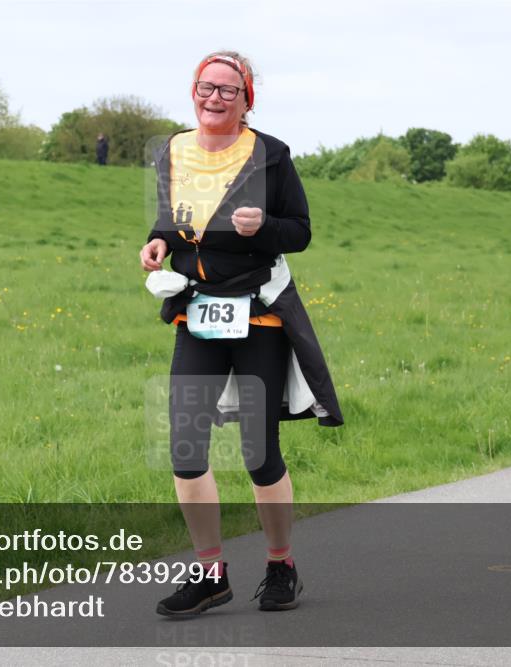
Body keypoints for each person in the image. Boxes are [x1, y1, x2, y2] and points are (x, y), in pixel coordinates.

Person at [140, 51, 344, 616]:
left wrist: (264, 227)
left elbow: (299, 231)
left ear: (246, 99)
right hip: (197, 313)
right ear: (193, 91)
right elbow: (173, 220)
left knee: (258, 451)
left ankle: (281, 565)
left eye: (228, 90)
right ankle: (211, 574)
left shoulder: (270, 155)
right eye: (206, 87)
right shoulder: (172, 150)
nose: (215, 97)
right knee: (185, 449)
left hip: (258, 315)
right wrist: (157, 242)